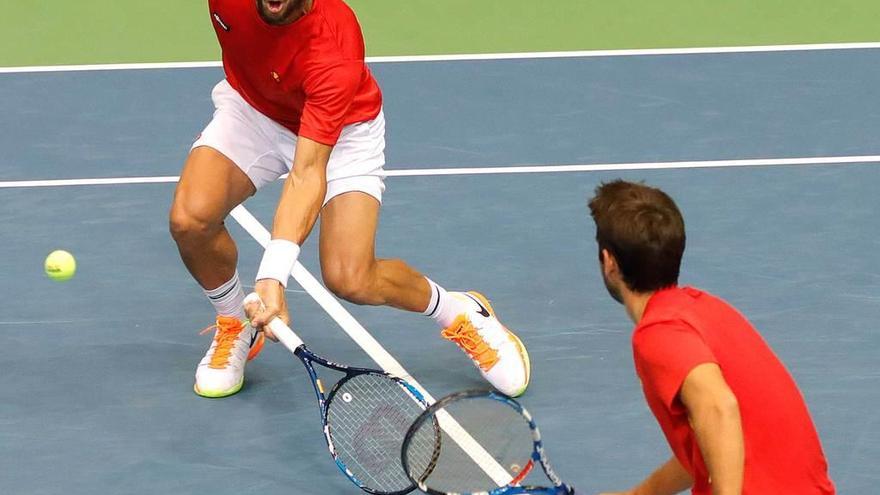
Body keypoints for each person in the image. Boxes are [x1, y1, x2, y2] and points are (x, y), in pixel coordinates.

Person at [168, 0, 529, 399]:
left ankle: (458, 310)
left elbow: (307, 174)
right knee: (190, 219)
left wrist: (272, 276)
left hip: (342, 135)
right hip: (253, 110)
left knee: (350, 278)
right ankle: (235, 322)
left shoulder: (333, 46)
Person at [588, 180, 834, 495]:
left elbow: (719, 408)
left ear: (610, 262)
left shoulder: (657, 334)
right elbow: (706, 446)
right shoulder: (704, 309)